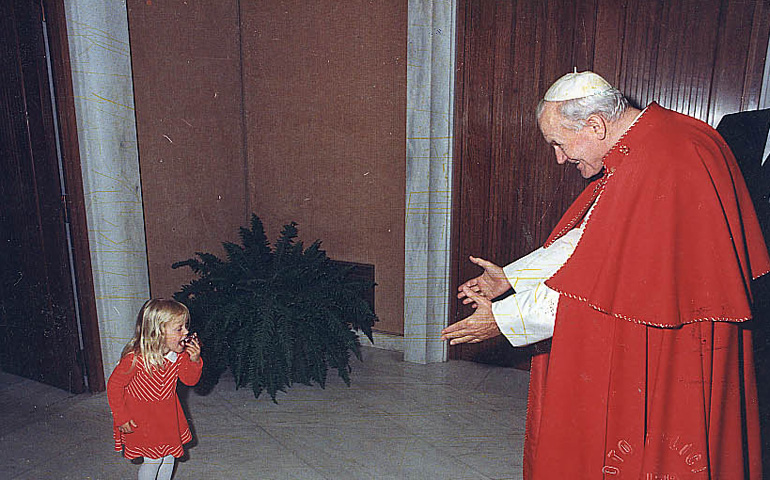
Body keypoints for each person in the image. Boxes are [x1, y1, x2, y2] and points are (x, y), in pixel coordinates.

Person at [441, 71, 770, 479]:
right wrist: (514, 277)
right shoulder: (661, 137)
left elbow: (592, 284)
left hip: (671, 344)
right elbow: (596, 238)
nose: (559, 158)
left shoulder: (658, 161)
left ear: (596, 125)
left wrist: (504, 319)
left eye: (558, 144)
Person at [107, 298, 202, 480]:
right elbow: (114, 386)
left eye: (185, 326)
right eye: (179, 328)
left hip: (168, 416)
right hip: (143, 419)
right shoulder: (135, 359)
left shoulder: (178, 355)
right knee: (153, 459)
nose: (186, 332)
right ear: (158, 332)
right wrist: (121, 416)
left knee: (169, 456)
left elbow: (190, 380)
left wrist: (194, 361)